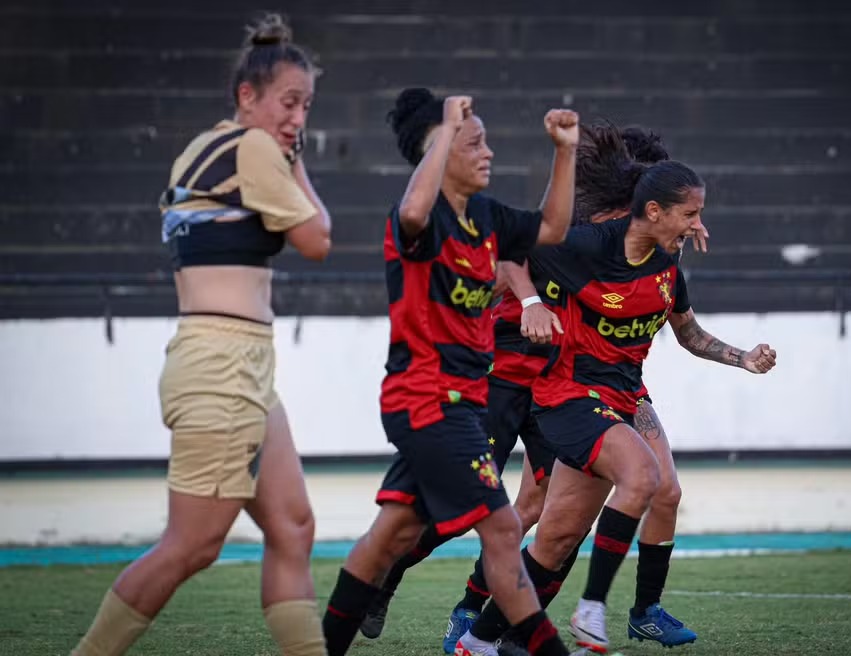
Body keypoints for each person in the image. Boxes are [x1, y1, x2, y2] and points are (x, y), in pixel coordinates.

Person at [71, 14, 332, 656]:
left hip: (228, 363)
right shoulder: (255, 148)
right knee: (192, 545)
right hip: (222, 365)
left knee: (292, 526)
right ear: (248, 97)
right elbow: (318, 239)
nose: (297, 118)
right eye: (289, 103)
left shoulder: (200, 148)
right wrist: (297, 166)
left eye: (306, 106)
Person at [356, 123, 671, 653]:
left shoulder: (638, 249)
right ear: (624, 200)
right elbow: (509, 256)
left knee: (556, 516)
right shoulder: (570, 227)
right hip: (503, 379)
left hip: (560, 392)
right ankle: (384, 576)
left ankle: (488, 624)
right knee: (462, 510)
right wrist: (528, 301)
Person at [458, 160, 777, 656]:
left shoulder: (668, 265)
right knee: (645, 476)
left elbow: (688, 334)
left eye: (700, 213)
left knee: (556, 539)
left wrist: (744, 359)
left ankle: (478, 640)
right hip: (569, 397)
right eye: (691, 213)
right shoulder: (589, 247)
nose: (699, 225)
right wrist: (529, 304)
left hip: (620, 402)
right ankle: (593, 609)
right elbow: (511, 252)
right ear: (653, 211)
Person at [319, 88, 579, 656]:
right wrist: (442, 129)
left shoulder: (485, 217)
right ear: (438, 147)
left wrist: (565, 152)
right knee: (506, 530)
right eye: (474, 142)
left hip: (458, 400)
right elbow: (413, 211)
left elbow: (553, 229)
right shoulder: (417, 216)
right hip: (429, 399)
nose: (488, 152)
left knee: (392, 534)